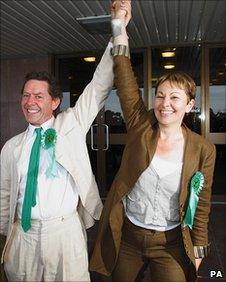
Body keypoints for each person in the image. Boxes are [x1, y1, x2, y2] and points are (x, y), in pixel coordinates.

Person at [90, 1, 216, 281]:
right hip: (129, 238)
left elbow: (203, 204)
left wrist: (198, 251)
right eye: (160, 95)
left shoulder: (203, 149)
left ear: (190, 104)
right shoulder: (140, 125)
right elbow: (123, 75)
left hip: (170, 243)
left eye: (174, 97)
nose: (165, 103)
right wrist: (119, 25)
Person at [0, 37, 115, 281]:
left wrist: (118, 32)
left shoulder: (70, 125)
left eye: (39, 96)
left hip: (63, 233)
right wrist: (6, 235)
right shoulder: (12, 147)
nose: (30, 102)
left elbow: (99, 86)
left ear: (55, 102)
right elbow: (4, 195)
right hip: (22, 236)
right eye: (26, 95)